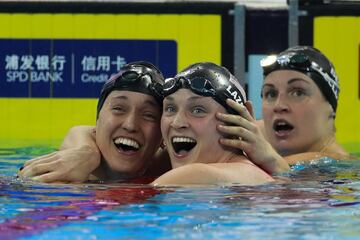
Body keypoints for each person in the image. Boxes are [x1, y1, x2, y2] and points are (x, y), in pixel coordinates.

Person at [19, 61, 171, 182]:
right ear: (97, 122)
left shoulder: (169, 166)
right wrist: (87, 152)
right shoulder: (64, 177)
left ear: (162, 138)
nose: (130, 125)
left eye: (149, 115)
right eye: (119, 108)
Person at [216, 46, 351, 166]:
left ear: (331, 108)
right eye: (271, 94)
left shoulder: (335, 165)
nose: (279, 106)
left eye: (298, 93)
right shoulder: (261, 134)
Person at [151, 62, 275, 185]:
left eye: (198, 110)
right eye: (171, 109)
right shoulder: (258, 175)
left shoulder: (195, 175)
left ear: (238, 121)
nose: (177, 123)